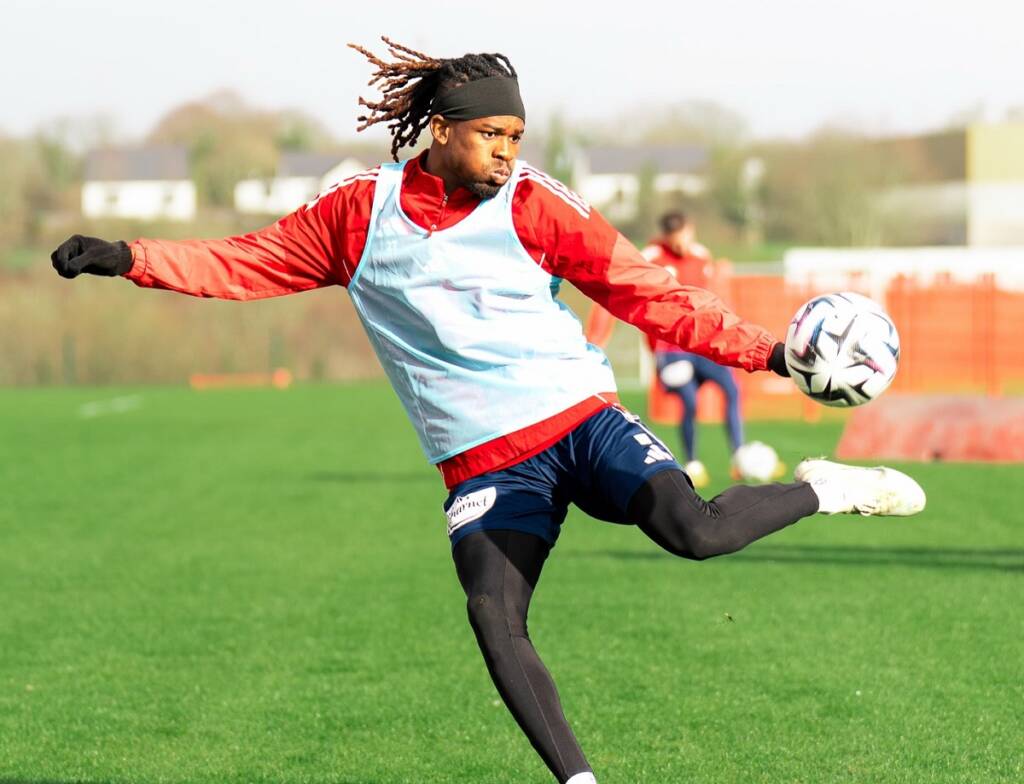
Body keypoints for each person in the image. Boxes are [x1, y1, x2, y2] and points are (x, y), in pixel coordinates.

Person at [50, 37, 926, 784]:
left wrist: (769, 354)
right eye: (492, 135)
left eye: (516, 136)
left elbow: (647, 293)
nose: (507, 152)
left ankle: (826, 487)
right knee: (493, 617)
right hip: (484, 462)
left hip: (578, 418)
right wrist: (131, 257)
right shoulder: (358, 215)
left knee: (693, 532)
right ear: (441, 130)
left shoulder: (534, 203)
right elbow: (246, 261)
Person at [585, 211, 753, 488]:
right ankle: (693, 462)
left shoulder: (702, 256)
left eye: (683, 236)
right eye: (674, 239)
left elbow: (710, 300)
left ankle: (739, 457)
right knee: (690, 400)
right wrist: (599, 336)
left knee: (732, 389)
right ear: (665, 236)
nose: (679, 244)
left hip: (702, 347)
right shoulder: (650, 256)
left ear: (690, 230)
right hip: (670, 351)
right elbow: (620, 289)